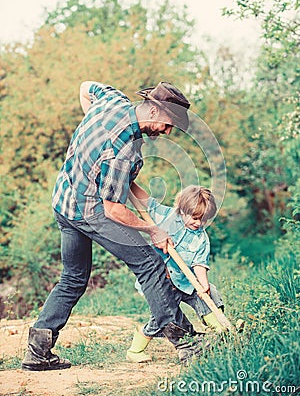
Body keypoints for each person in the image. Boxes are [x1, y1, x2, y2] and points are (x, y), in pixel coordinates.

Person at [22, 80, 207, 371]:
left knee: (72, 278)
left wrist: (92, 140)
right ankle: (186, 343)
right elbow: (114, 210)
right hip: (91, 211)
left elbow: (85, 86)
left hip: (64, 202)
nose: (169, 133)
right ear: (155, 113)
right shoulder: (123, 151)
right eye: (170, 125)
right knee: (150, 264)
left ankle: (37, 351)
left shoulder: (112, 101)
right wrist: (153, 230)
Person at [126, 183, 226, 363]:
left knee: (208, 293)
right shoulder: (167, 216)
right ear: (182, 210)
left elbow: (199, 263)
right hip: (162, 284)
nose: (198, 223)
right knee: (162, 319)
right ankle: (135, 350)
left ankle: (221, 329)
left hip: (185, 282)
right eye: (195, 218)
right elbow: (146, 201)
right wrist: (129, 182)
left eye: (203, 219)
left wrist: (203, 284)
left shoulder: (201, 238)